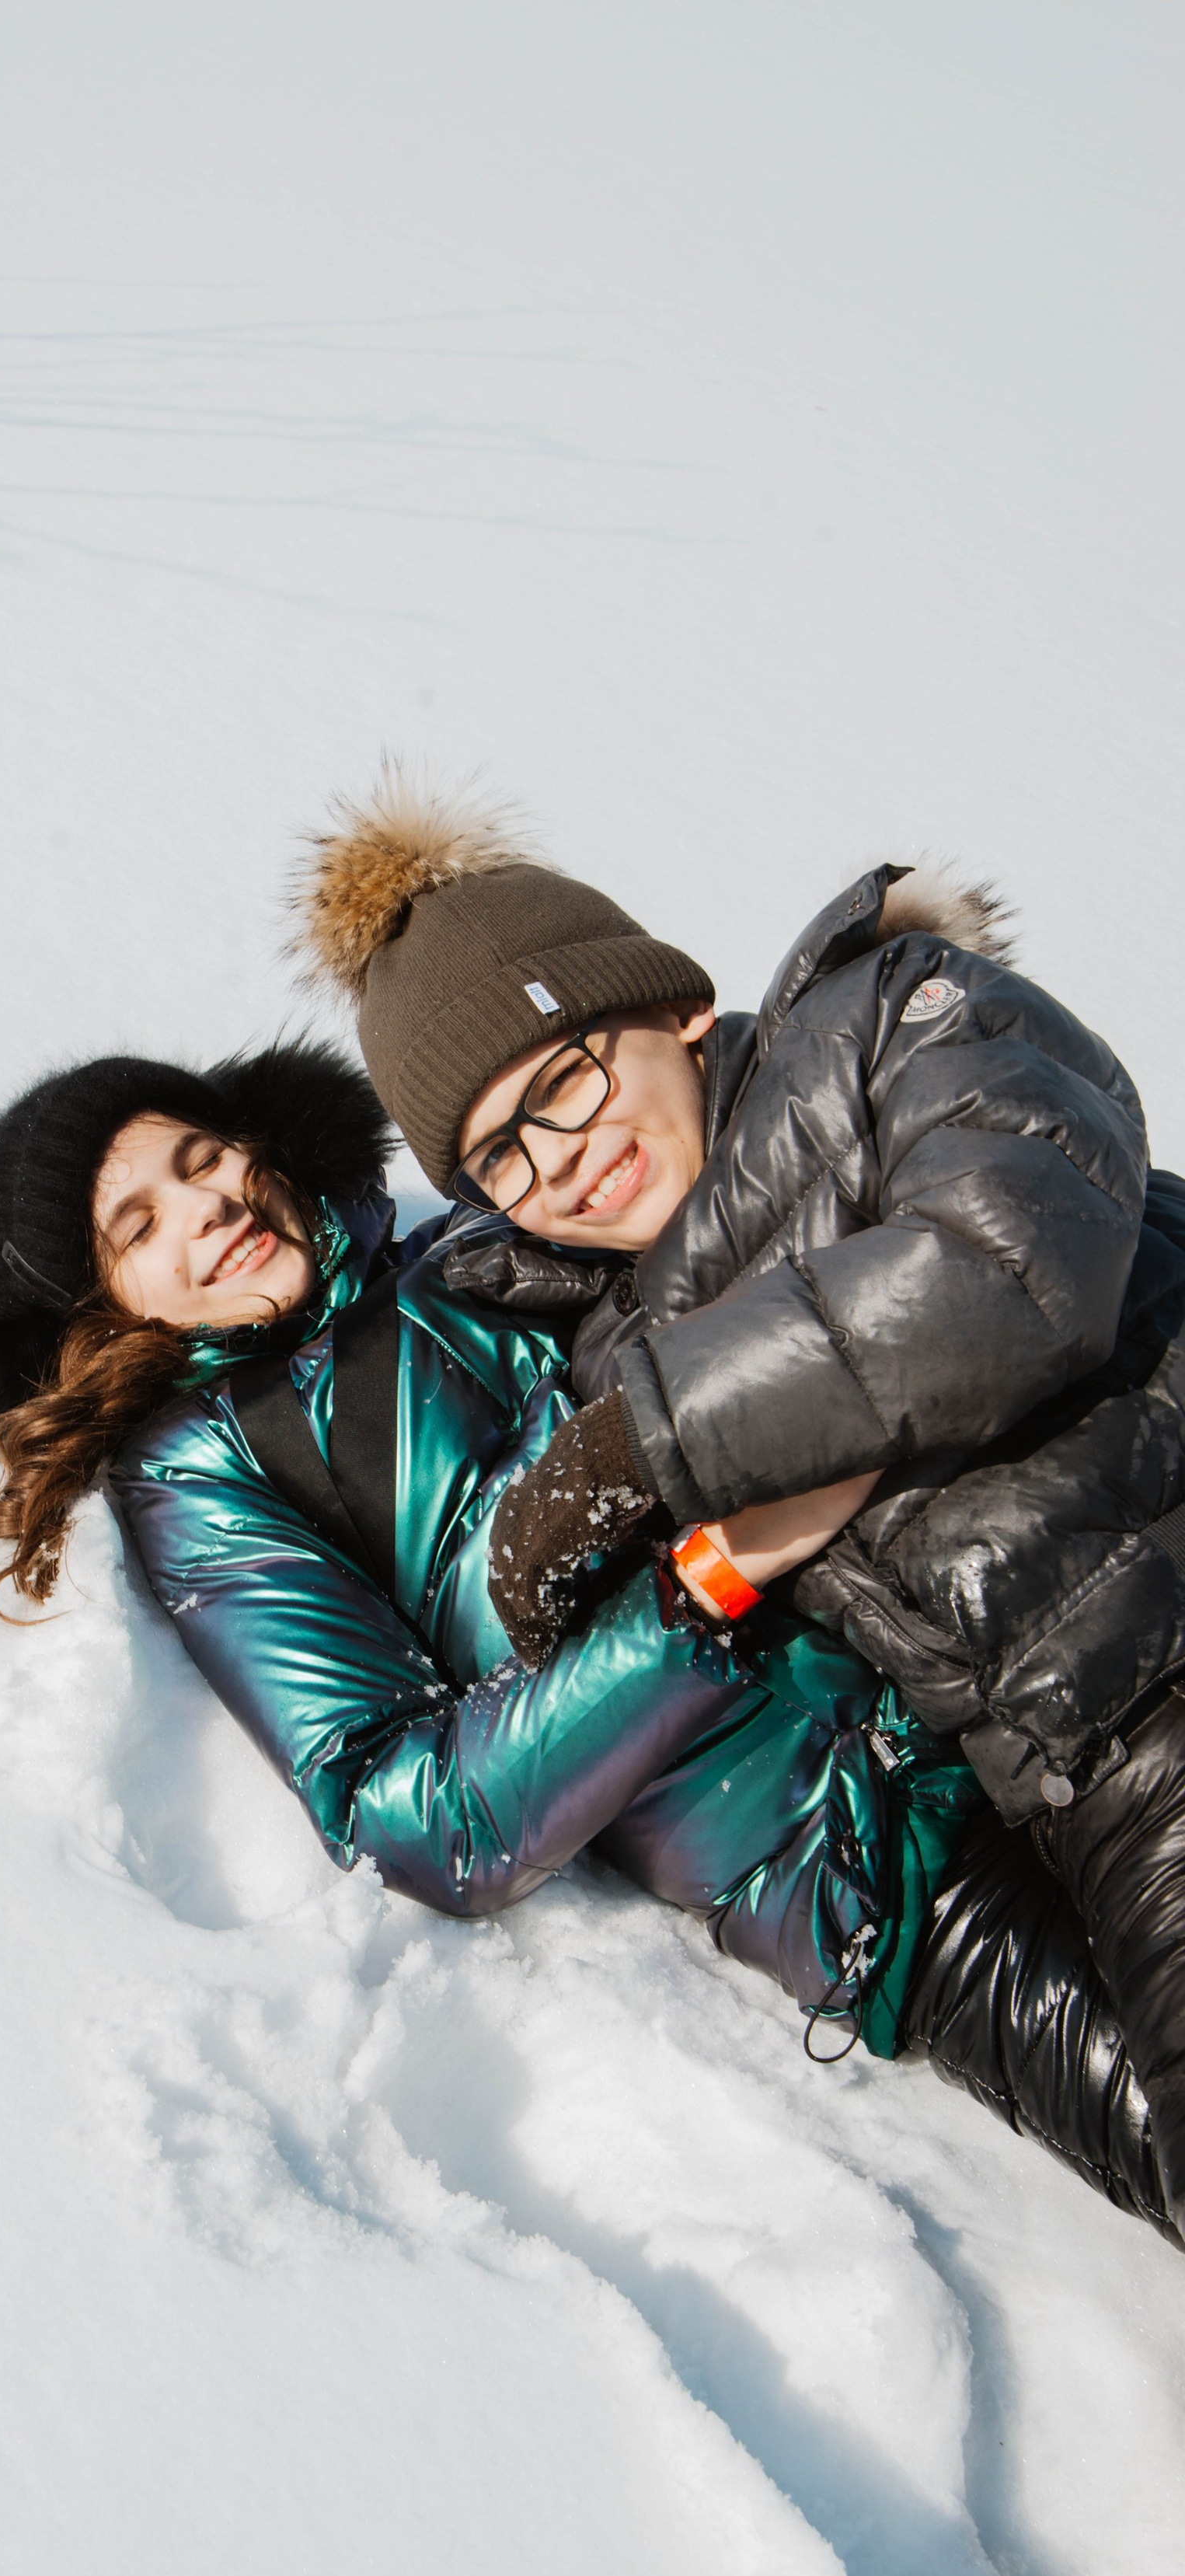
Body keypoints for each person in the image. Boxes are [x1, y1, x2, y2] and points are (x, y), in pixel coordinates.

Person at [0, 1039, 1173, 2242]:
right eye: (140, 1226)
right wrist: (702, 1590)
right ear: (100, 1302)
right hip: (882, 1865)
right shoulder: (206, 1462)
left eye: (198, 1160)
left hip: (1016, 1653)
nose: (207, 1208)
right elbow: (412, 1811)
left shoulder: (473, 1239)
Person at [292, 773, 1185, 2226]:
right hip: (1090, 1781)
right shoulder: (610, 1349)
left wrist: (640, 1452)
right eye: (502, 1156)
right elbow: (560, 1618)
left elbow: (1009, 1267)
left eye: (564, 1079)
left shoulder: (895, 1019)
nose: (561, 1159)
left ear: (674, 1010)